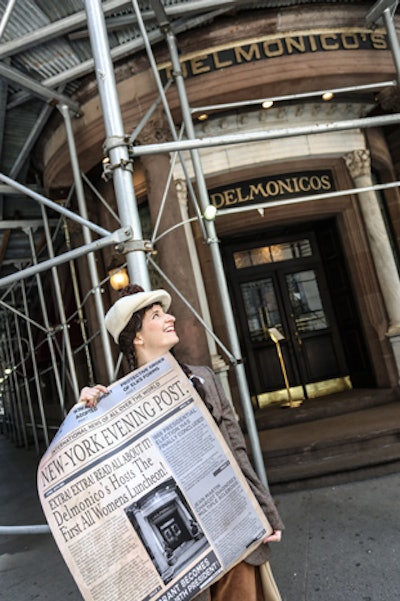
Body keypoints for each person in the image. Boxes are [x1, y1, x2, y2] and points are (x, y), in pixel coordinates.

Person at [79, 283, 284, 601]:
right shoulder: (114, 404)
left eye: (165, 312)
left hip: (231, 524)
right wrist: (87, 411)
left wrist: (266, 511)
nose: (170, 317)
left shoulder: (204, 378)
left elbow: (235, 450)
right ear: (137, 336)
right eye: (157, 315)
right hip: (179, 557)